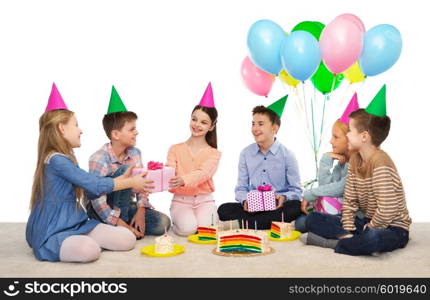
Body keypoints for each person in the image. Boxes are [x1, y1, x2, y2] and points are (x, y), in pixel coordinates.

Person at [26, 83, 151, 262]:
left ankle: (78, 241)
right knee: (89, 250)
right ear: (62, 128)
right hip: (53, 229)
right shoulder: (56, 160)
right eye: (76, 125)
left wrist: (121, 179)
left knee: (127, 239)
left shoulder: (65, 158)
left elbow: (91, 189)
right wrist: (129, 182)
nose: (81, 130)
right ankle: (71, 244)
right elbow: (94, 184)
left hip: (77, 223)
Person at [303, 85, 412, 256]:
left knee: (373, 238)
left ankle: (335, 243)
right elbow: (350, 201)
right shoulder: (354, 160)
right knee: (313, 219)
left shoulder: (381, 162)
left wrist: (372, 226)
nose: (347, 136)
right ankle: (350, 239)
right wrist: (348, 226)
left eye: (351, 131)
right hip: (365, 222)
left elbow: (387, 208)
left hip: (392, 227)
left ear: (364, 136)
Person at [86, 86, 171, 239]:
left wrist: (141, 210)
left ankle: (124, 225)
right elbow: (97, 200)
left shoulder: (135, 153)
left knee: (163, 223)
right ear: (116, 134)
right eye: (132, 129)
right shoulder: (98, 158)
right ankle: (119, 226)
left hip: (126, 205)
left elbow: (142, 185)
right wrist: (120, 223)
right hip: (102, 210)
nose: (136, 132)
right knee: (126, 170)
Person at [217, 95, 302, 229]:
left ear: (274, 128)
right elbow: (241, 188)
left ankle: (245, 224)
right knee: (223, 209)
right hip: (253, 207)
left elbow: (296, 191)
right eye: (253, 124)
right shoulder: (246, 153)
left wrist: (283, 197)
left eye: (260, 124)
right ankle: (263, 223)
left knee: (295, 207)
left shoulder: (288, 155)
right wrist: (245, 201)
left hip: (276, 207)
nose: (255, 128)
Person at [294, 94, 360, 233]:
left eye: (335, 137)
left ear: (350, 140)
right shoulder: (342, 162)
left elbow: (340, 188)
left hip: (355, 218)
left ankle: (337, 237)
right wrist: (326, 159)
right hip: (337, 212)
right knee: (300, 221)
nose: (331, 141)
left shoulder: (357, 162)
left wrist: (310, 193)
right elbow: (325, 187)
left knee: (304, 222)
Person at [166, 82, 221, 236]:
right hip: (181, 200)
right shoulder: (175, 149)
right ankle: (179, 221)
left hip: (205, 200)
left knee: (207, 231)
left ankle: (209, 220)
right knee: (188, 230)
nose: (197, 125)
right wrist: (158, 176)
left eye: (203, 122)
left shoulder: (214, 154)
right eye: (194, 119)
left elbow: (203, 173)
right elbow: (169, 172)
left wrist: (183, 179)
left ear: (211, 127)